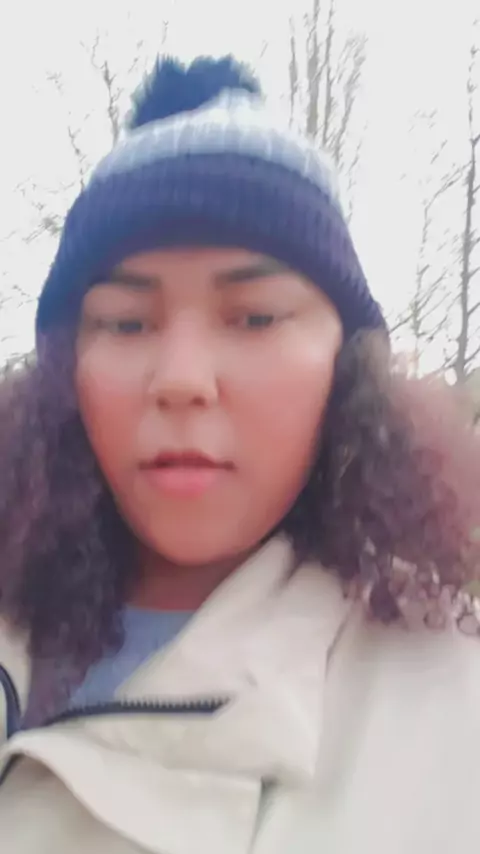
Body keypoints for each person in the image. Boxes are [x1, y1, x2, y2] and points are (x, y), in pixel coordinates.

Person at [1, 54, 480, 854]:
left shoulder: (454, 708)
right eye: (125, 323)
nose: (181, 381)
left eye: (255, 318)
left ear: (347, 371)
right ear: (62, 374)